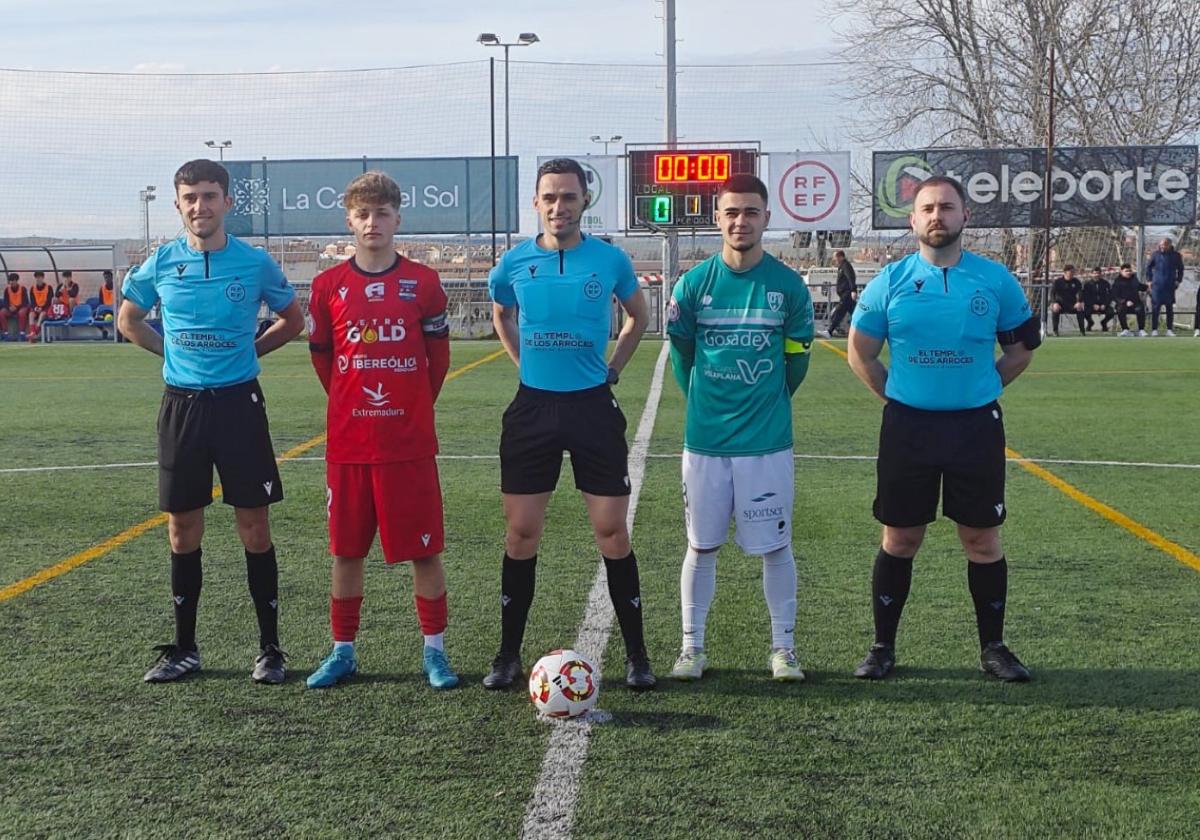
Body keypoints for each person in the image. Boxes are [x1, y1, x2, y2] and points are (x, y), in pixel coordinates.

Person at [118, 159, 305, 684]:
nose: (200, 206)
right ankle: (184, 648)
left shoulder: (254, 263)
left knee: (254, 526)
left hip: (238, 406)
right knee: (182, 528)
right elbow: (128, 320)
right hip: (182, 407)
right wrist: (168, 354)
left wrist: (252, 349)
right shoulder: (161, 262)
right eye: (190, 198)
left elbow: (294, 320)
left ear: (227, 202)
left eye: (209, 195)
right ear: (178, 205)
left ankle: (270, 649)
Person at [847, 175, 1040, 683]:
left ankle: (994, 648)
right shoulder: (889, 282)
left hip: (974, 427)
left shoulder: (995, 280)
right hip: (908, 427)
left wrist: (981, 387)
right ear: (913, 220)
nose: (937, 216)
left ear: (964, 217)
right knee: (901, 536)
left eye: (947, 208)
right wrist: (898, 398)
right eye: (927, 208)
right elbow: (860, 353)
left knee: (981, 539)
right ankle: (882, 647)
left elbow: (1022, 348)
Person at [485, 158, 654, 691]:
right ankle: (507, 654)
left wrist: (614, 369)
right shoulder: (512, 263)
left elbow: (637, 317)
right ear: (536, 203)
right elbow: (500, 312)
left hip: (591, 409)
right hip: (533, 410)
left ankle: (637, 656)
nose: (560, 207)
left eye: (569, 198)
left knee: (611, 532)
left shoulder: (609, 260)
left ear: (585, 202)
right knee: (521, 533)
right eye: (549, 198)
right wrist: (522, 365)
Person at [305, 171, 459, 691]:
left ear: (398, 218)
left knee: (424, 550)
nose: (373, 222)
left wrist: (411, 404)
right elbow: (324, 359)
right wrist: (352, 404)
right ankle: (342, 650)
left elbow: (437, 359)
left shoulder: (425, 282)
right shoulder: (328, 287)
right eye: (363, 214)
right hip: (349, 444)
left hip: (408, 443)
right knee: (346, 551)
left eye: (383, 213)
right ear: (349, 220)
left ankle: (434, 652)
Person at [666, 174, 815, 682]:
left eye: (751, 212)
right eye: (731, 212)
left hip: (766, 443)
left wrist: (765, 406)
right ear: (717, 219)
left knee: (775, 546)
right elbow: (682, 358)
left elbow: (796, 363)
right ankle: (692, 649)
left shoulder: (788, 287)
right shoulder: (693, 285)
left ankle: (784, 650)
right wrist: (706, 406)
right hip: (705, 442)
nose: (740, 221)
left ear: (766, 218)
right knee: (701, 545)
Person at [1145, 237, 1184, 336]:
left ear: (1170, 245)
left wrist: (1178, 281)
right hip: (1157, 285)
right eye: (1161, 244)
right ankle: (1154, 329)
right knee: (1155, 307)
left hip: (1170, 285)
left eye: (1165, 244)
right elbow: (1148, 267)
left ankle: (1169, 329)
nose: (1162, 246)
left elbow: (1180, 269)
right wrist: (1149, 280)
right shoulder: (1155, 255)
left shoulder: (1176, 255)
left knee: (1169, 307)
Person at [1111, 263, 1148, 337]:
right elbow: (1114, 295)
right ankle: (1125, 329)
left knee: (1140, 308)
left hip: (1135, 303)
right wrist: (1124, 302)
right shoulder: (1117, 282)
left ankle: (1141, 330)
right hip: (1123, 304)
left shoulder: (1134, 279)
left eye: (1130, 271)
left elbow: (1140, 286)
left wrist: (1148, 287)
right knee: (1120, 309)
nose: (1129, 273)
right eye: (1126, 271)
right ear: (1121, 271)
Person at [1049, 264, 1085, 335]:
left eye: (1073, 272)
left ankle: (1082, 331)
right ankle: (1055, 331)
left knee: (1079, 307)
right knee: (1055, 308)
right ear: (1065, 272)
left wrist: (1079, 302)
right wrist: (1054, 303)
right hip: (1061, 305)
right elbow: (1052, 293)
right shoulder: (1058, 282)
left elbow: (1080, 293)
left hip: (1072, 304)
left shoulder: (1076, 282)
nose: (1072, 274)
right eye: (1071, 272)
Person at [1081, 266, 1114, 333]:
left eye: (1098, 273)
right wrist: (1093, 305)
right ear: (1091, 274)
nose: (1097, 275)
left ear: (1101, 274)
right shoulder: (1087, 284)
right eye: (1095, 273)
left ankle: (1104, 323)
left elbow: (1110, 295)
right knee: (1084, 312)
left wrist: (1105, 304)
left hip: (1103, 305)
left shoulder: (1105, 283)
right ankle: (1090, 323)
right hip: (1091, 305)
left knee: (1111, 312)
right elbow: (1085, 297)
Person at [27, 271, 56, 342]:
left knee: (42, 315)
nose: (38, 279)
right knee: (31, 314)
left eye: (40, 277)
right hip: (36, 308)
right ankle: (32, 333)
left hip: (45, 308)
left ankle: (34, 334)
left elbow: (49, 300)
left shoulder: (49, 287)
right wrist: (36, 308)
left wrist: (42, 308)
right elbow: (32, 300)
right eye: (36, 277)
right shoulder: (32, 288)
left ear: (43, 278)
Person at [1, 273, 29, 340]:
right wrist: (9, 307)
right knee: (1, 313)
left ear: (17, 281)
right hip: (11, 308)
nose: (11, 282)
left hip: (21, 307)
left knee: (22, 313)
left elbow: (25, 301)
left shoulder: (23, 288)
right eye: (10, 280)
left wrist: (16, 307)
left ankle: (22, 333)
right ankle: (5, 333)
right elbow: (5, 302)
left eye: (13, 280)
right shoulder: (7, 289)